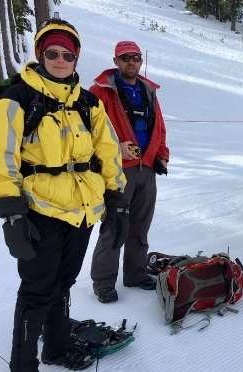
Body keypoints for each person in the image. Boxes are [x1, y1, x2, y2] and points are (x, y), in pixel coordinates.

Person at [0, 16, 127, 371]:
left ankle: (56, 349)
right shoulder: (15, 99)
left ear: (76, 58)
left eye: (67, 55)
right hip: (39, 212)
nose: (60, 60)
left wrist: (116, 200)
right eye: (52, 53)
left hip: (82, 212)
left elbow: (108, 152)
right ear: (40, 55)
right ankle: (23, 364)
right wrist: (13, 214)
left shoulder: (90, 103)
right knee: (36, 290)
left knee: (63, 282)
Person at [89, 40, 170, 303]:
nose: (131, 62)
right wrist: (116, 147)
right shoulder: (100, 92)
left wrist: (162, 156)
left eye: (135, 57)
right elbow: (89, 132)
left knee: (140, 224)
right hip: (117, 168)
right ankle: (104, 282)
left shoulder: (148, 91)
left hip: (147, 166)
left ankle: (135, 273)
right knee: (114, 224)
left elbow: (159, 128)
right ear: (116, 61)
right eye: (125, 58)